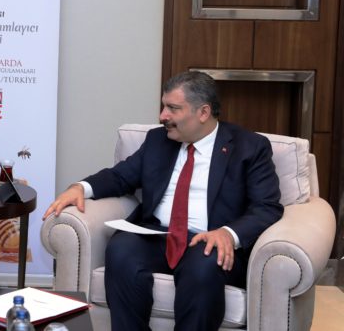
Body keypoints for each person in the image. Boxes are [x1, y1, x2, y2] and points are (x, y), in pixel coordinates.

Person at [43, 71, 283, 330]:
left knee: (203, 266)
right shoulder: (157, 140)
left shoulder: (249, 148)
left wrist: (228, 233)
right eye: (163, 106)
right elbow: (120, 176)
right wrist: (80, 187)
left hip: (209, 239)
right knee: (121, 250)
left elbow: (266, 207)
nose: (162, 116)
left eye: (173, 108)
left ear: (203, 112)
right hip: (157, 235)